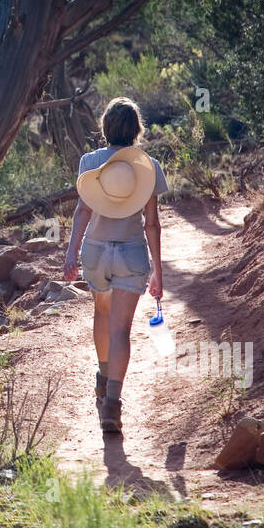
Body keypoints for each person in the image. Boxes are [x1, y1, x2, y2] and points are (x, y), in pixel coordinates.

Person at [63, 97, 166, 436]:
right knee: (121, 329)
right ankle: (112, 403)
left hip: (95, 252)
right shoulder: (148, 167)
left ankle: (102, 374)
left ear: (105, 127)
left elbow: (82, 212)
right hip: (131, 253)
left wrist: (70, 254)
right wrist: (158, 274)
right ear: (137, 130)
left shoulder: (90, 161)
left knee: (101, 315)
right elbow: (152, 224)